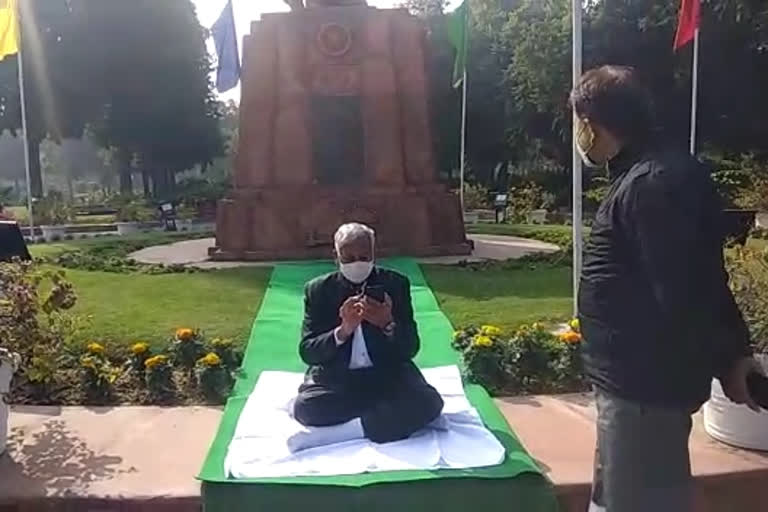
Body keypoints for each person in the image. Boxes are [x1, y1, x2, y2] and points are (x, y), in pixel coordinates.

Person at [570, 66, 762, 512]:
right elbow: (703, 278)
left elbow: (687, 290)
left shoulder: (652, 182)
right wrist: (732, 353)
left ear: (590, 122)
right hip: (633, 386)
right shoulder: (650, 173)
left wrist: (728, 361)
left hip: (643, 390)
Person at [291, 222, 443, 451]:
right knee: (305, 407)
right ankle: (386, 419)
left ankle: (347, 432)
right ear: (336, 256)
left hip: (387, 376)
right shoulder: (319, 290)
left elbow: (410, 348)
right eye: (349, 257)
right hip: (339, 379)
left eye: (364, 256)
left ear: (375, 254)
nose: (357, 263)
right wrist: (343, 331)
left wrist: (387, 324)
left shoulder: (395, 284)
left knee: (429, 402)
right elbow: (309, 352)